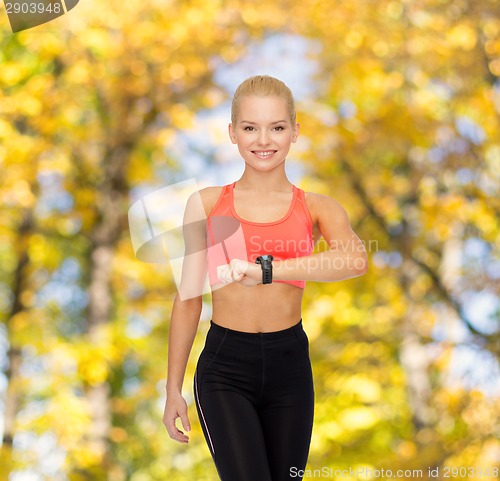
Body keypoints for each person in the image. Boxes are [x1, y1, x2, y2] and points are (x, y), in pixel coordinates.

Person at [163, 75, 368, 481]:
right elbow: (188, 299)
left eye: (276, 127)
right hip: (224, 368)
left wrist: (268, 271)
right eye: (250, 127)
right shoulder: (205, 204)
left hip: (290, 367)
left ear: (295, 132)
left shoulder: (317, 207)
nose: (264, 139)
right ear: (232, 134)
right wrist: (173, 389)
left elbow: (355, 260)